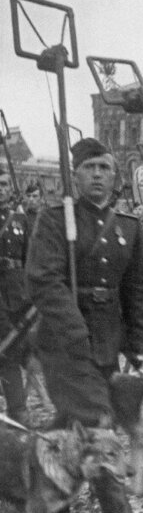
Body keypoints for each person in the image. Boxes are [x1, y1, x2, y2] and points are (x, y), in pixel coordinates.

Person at [26, 138, 143, 513]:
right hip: (64, 341)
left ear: (115, 175)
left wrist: (138, 342)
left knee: (69, 419)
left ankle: (39, 479)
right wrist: (74, 327)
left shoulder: (128, 226)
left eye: (104, 168)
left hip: (107, 339)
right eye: (89, 168)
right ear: (75, 176)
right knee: (97, 420)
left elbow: (135, 287)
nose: (97, 175)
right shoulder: (55, 220)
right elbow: (43, 279)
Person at [0, 170, 30, 425]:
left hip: (18, 294)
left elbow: (30, 259)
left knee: (15, 348)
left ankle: (19, 407)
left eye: (4, 184)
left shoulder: (20, 220)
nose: (1, 189)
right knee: (7, 348)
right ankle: (18, 409)